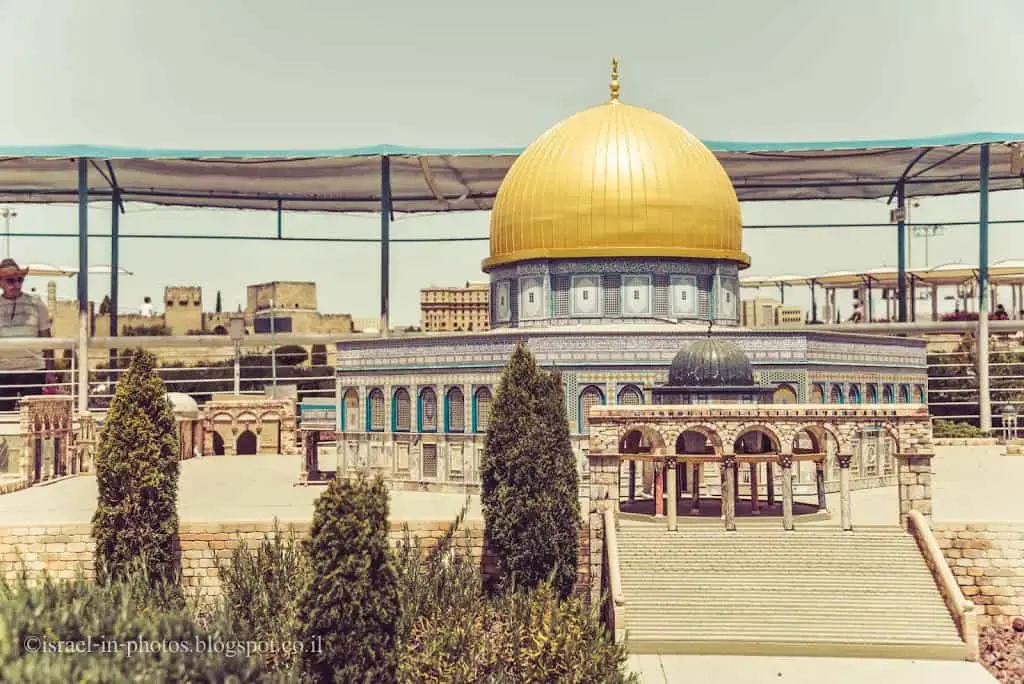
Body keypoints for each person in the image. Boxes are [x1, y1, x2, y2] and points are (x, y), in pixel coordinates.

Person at [0, 259, 55, 411]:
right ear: (0, 282)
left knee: (34, 419)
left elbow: (47, 339)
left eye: (20, 279)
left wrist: (51, 371)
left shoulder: (36, 303)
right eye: (10, 280)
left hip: (33, 369)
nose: (16, 284)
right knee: (3, 419)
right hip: (3, 371)